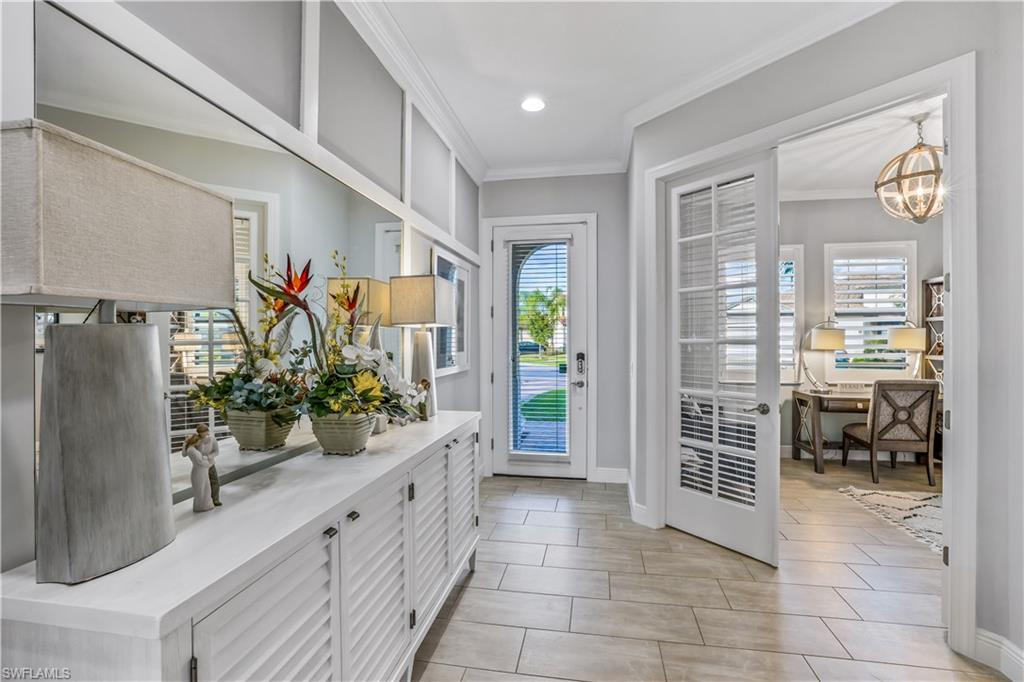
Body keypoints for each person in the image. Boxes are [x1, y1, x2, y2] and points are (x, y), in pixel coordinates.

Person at [182, 424, 220, 512]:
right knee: (203, 485)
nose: (202, 434)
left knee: (214, 481)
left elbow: (216, 451)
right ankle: (205, 502)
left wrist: (208, 457)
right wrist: (185, 444)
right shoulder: (196, 439)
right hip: (200, 466)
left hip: (209, 463)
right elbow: (187, 453)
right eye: (200, 432)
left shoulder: (212, 440)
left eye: (204, 432)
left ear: (207, 431)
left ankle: (215, 499)